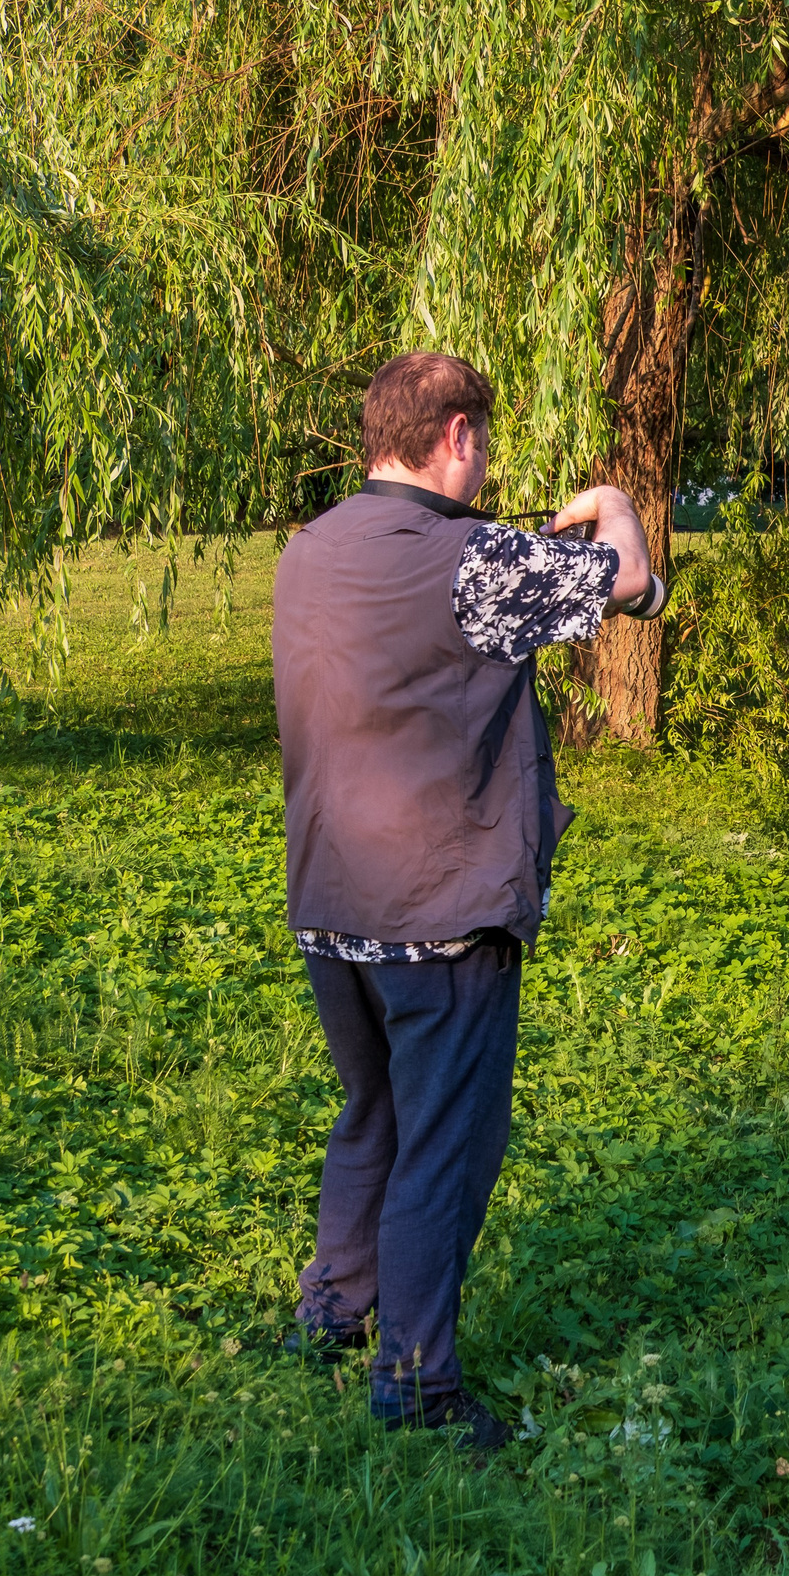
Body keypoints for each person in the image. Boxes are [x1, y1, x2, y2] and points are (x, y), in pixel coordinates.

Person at [271, 351, 657, 1447]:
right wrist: (617, 504)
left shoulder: (313, 548)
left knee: (374, 1114)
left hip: (330, 904)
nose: (485, 460)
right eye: (480, 439)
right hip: (439, 914)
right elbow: (624, 581)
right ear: (455, 436)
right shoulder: (473, 560)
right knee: (445, 1143)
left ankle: (330, 1316)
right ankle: (418, 1384)